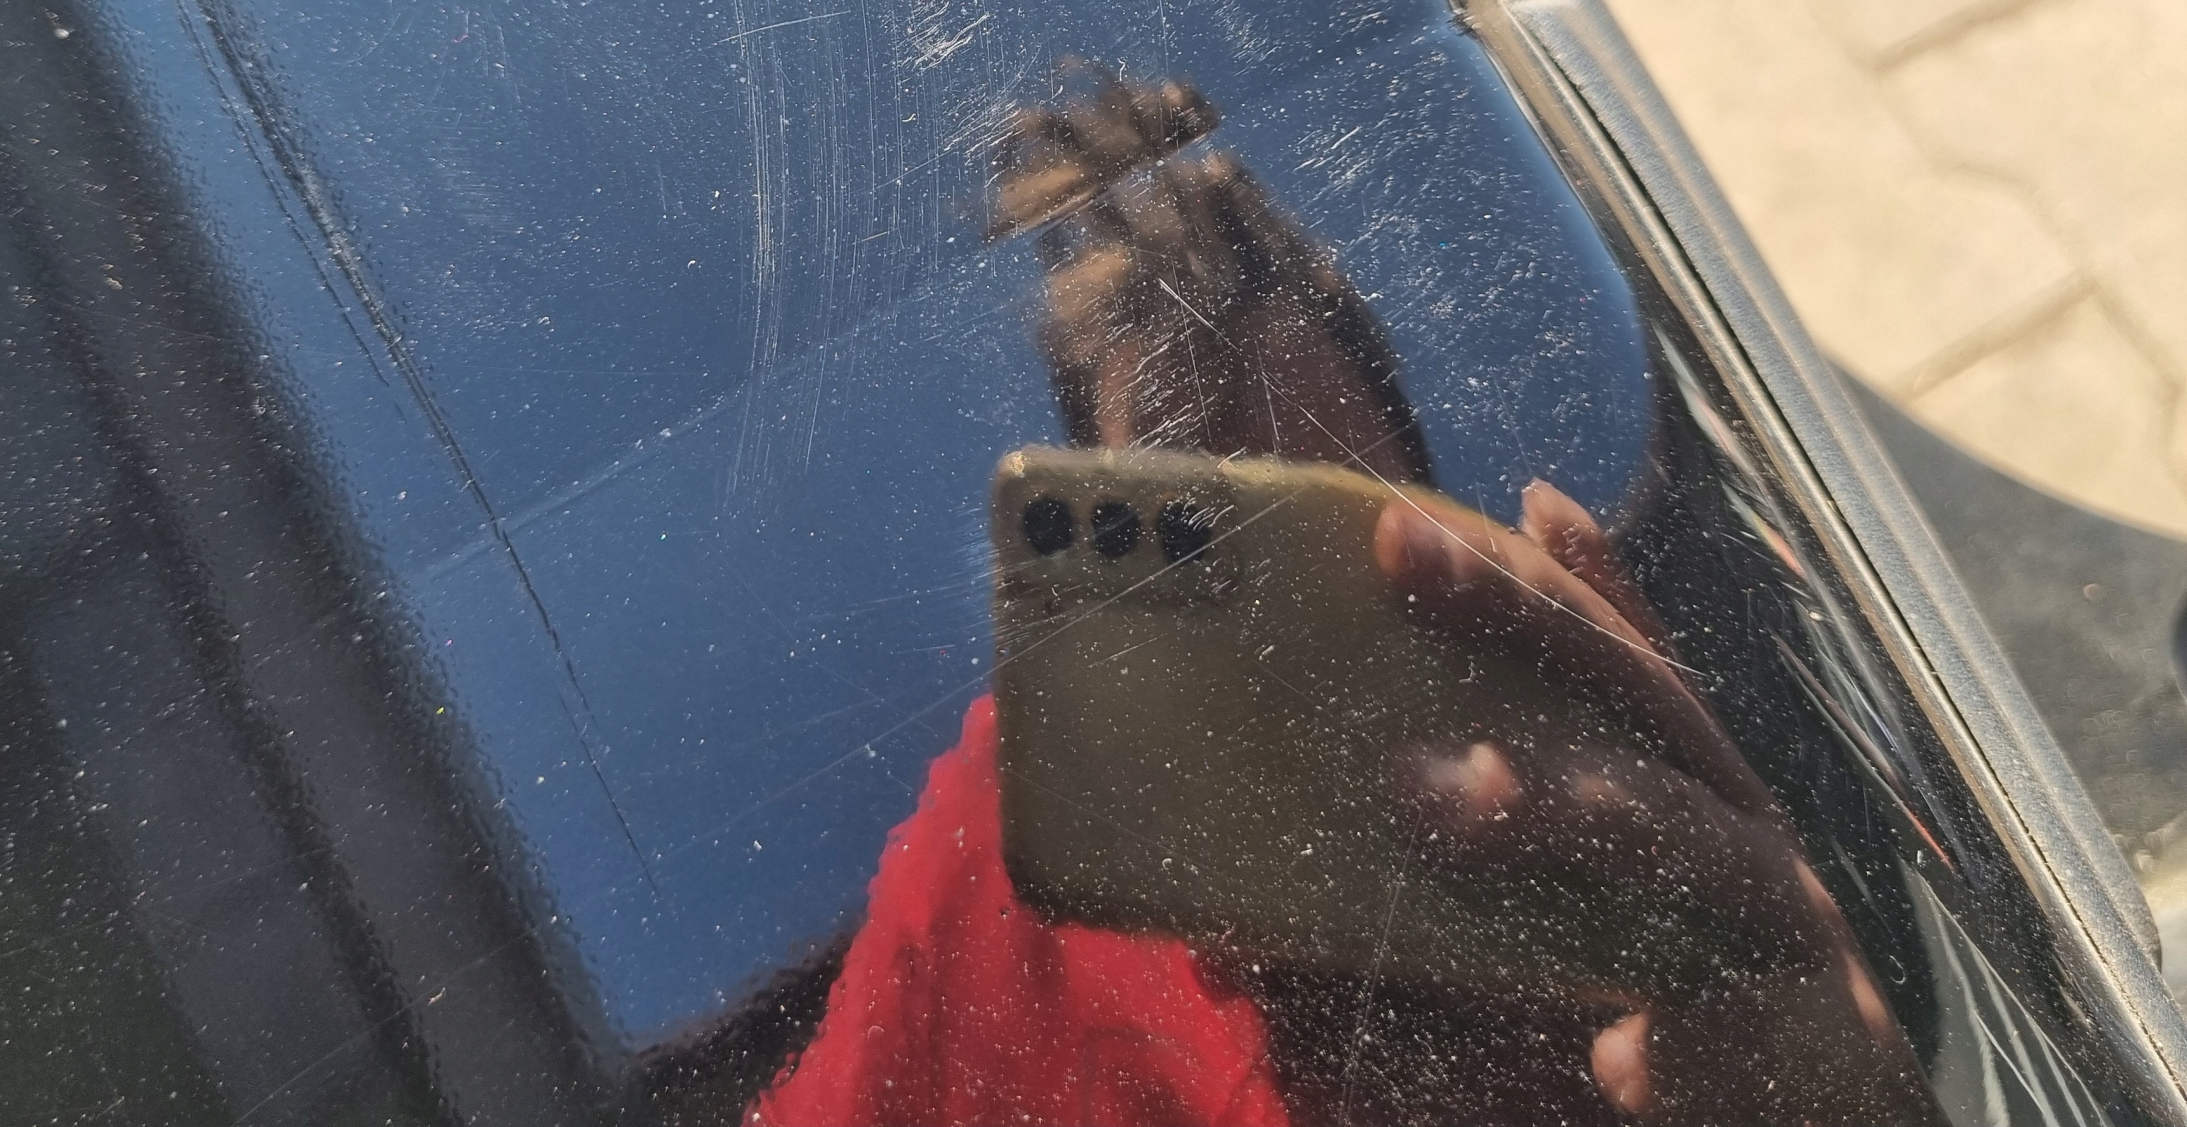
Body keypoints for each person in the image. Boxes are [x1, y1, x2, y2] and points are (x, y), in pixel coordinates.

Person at [748, 71, 1942, 1127]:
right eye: (1199, 556)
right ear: (1099, 549)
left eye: (1320, 554)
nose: (1277, 666)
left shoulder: (1563, 831)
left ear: (1422, 528)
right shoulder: (1011, 827)